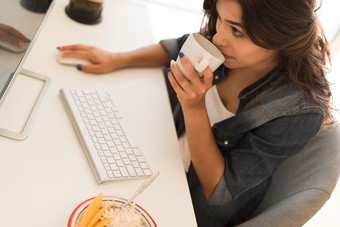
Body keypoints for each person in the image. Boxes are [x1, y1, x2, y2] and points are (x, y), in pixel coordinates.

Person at [58, 0, 336, 226]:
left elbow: (219, 189)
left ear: (280, 39)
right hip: (164, 153)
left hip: (194, 207)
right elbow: (180, 47)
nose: (217, 37)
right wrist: (117, 59)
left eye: (237, 31)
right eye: (220, 19)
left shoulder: (300, 110)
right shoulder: (227, 44)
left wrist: (194, 106)